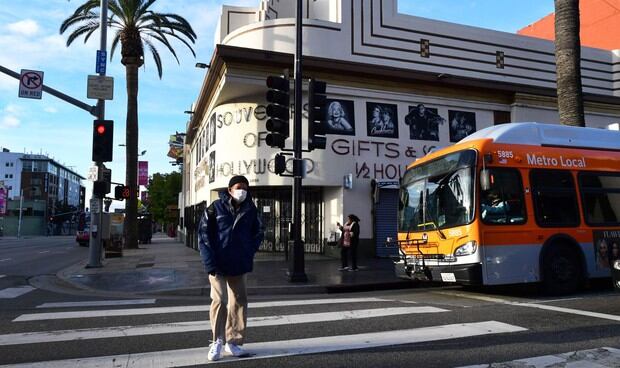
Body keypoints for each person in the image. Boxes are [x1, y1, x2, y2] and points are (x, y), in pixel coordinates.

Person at [198, 175, 264, 361]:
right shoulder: (214, 208)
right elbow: (203, 235)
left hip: (239, 262)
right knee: (219, 301)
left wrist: (249, 251)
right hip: (217, 262)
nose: (242, 190)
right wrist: (209, 261)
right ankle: (217, 341)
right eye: (238, 186)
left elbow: (259, 231)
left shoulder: (251, 209)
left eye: (245, 187)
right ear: (229, 189)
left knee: (239, 301)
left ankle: (233, 342)